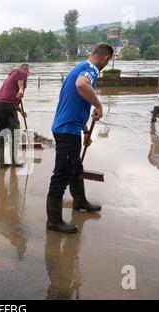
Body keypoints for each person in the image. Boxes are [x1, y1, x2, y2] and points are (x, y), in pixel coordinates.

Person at [46, 44, 114, 234]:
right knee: (61, 175)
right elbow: (81, 85)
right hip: (66, 131)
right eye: (107, 62)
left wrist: (85, 130)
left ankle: (80, 202)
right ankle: (54, 221)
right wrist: (98, 105)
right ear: (106, 59)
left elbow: (75, 104)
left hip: (69, 128)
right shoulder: (90, 69)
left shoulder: (78, 68)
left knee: (76, 168)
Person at [0, 64, 30, 167]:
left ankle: (2, 163)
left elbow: (11, 101)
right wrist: (21, 89)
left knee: (1, 134)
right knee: (15, 134)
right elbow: (20, 75)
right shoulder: (21, 72)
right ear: (27, 71)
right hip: (7, 107)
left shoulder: (11, 77)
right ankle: (14, 162)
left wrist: (21, 111)